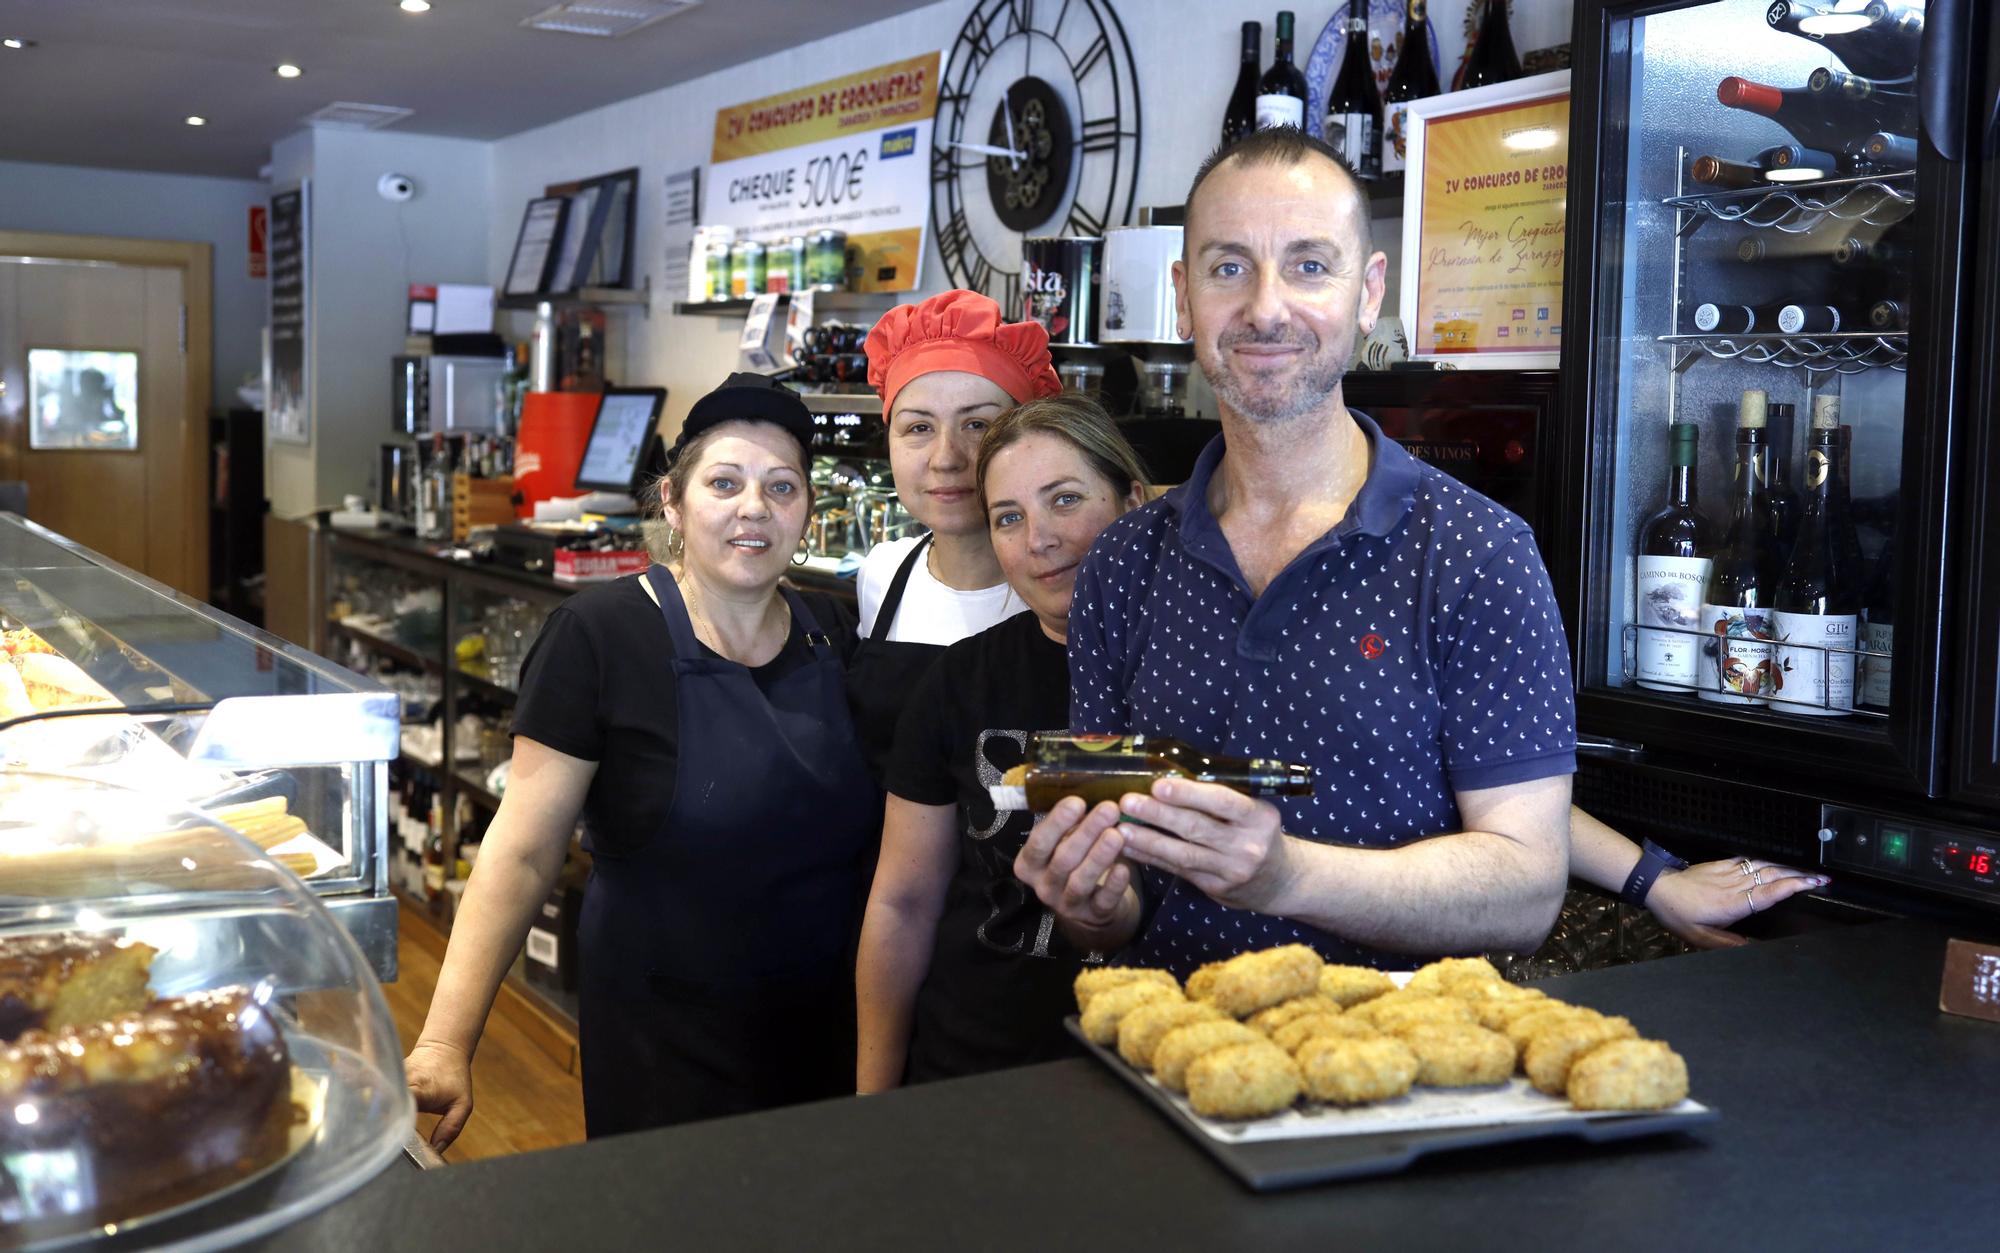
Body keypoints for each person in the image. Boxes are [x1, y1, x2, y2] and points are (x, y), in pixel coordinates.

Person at [1019, 126, 1578, 974]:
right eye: (1228, 267)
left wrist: (1286, 876)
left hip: (1399, 1070)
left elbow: (1527, 891)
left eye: (1310, 265)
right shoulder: (1123, 562)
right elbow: (1123, 895)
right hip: (1168, 1059)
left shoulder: (1477, 553)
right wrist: (1094, 901)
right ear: (1184, 295)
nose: (1266, 307)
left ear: (1367, 291)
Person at [405, 374, 877, 1147]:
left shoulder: (836, 633)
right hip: (666, 1049)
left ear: (808, 514)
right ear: (674, 504)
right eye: (724, 483)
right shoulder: (602, 635)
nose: (753, 507)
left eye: (781, 486)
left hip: (824, 1041)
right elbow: (522, 852)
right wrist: (445, 1042)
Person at [855, 396, 1147, 1090]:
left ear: (1133, 500)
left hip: (1164, 1068)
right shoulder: (959, 681)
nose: (1039, 538)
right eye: (1008, 517)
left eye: (1066, 499)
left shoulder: (1203, 671)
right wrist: (872, 1097)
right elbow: (902, 904)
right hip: (974, 1068)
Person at [845, 290, 1063, 783]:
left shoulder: (1064, 590)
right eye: (918, 427)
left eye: (979, 424)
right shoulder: (882, 573)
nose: (947, 457)